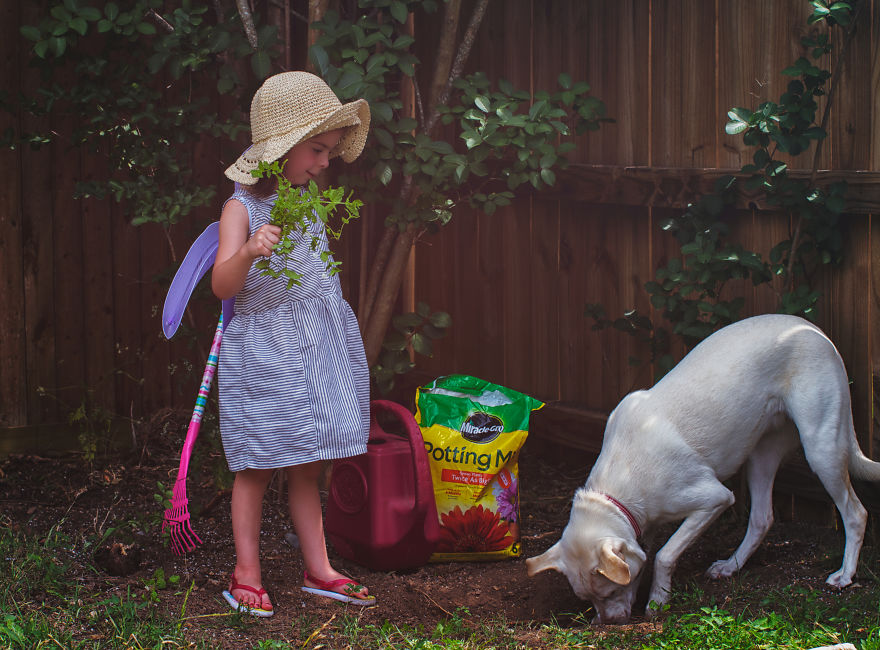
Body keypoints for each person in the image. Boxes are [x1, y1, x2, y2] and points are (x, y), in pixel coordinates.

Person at [211, 71, 374, 616]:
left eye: (328, 150)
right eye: (318, 149)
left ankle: (318, 568)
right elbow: (222, 286)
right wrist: (250, 251)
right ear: (280, 149)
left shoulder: (305, 200)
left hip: (313, 346)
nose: (326, 161)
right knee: (257, 463)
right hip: (265, 351)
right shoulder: (243, 209)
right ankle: (245, 572)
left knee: (308, 462)